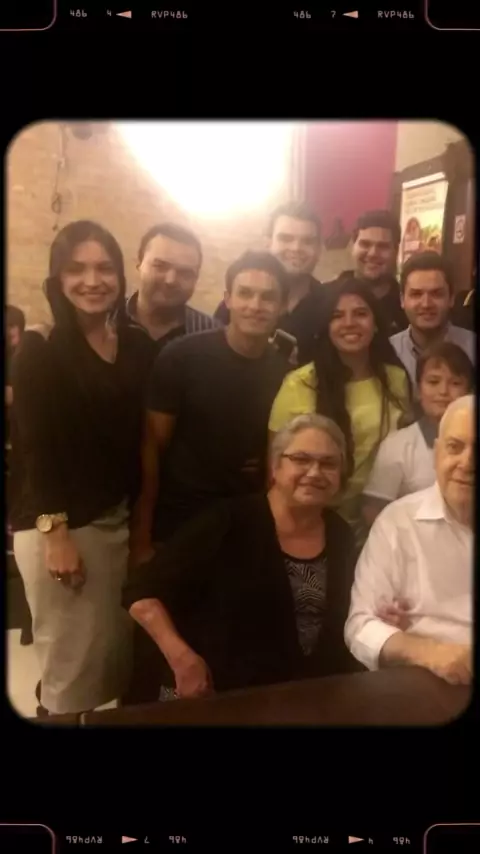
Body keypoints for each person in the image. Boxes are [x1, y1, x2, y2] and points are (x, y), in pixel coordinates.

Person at [10, 220, 155, 716]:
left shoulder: (133, 344)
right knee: (70, 676)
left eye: (104, 268)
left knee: (107, 665)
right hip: (63, 527)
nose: (92, 280)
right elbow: (36, 449)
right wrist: (56, 534)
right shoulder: (41, 349)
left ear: (120, 275)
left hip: (115, 523)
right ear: (57, 278)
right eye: (77, 269)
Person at [123, 415, 361, 700]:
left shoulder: (340, 534)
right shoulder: (227, 521)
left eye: (328, 463)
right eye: (301, 459)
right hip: (218, 695)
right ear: (275, 466)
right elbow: (140, 591)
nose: (314, 472)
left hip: (301, 696)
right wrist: (181, 658)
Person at [129, 249, 290, 565]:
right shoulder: (182, 357)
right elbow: (151, 450)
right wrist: (141, 537)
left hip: (244, 527)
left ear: (282, 306)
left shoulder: (287, 374)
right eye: (245, 293)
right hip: (177, 526)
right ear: (228, 299)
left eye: (268, 297)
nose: (255, 305)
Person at [269, 278, 411, 546]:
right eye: (337, 316)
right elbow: (275, 467)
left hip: (380, 523)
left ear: (375, 323)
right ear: (326, 326)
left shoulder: (397, 381)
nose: (349, 323)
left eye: (360, 313)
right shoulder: (300, 384)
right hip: (312, 523)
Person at [345, 395, 474, 686]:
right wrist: (429, 652)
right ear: (436, 454)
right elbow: (360, 626)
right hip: (422, 679)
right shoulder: (397, 522)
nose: (467, 463)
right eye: (455, 447)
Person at [362, 342, 474, 526]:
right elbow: (373, 512)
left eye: (455, 383)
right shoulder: (397, 445)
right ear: (418, 390)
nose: (443, 391)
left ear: (469, 391)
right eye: (433, 382)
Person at [214, 201, 324, 366]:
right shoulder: (236, 305)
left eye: (307, 241)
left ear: (319, 248)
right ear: (268, 242)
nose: (296, 248)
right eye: (286, 238)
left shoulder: (333, 306)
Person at [390, 251, 475, 390]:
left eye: (437, 294)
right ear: (402, 300)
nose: (426, 304)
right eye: (416, 294)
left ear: (451, 298)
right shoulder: (388, 351)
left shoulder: (472, 348)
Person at [127, 222, 217, 352]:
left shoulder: (214, 339)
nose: (171, 280)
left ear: (196, 279)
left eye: (185, 272)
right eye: (160, 266)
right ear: (138, 265)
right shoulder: (105, 321)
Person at [327, 209, 407, 336]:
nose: (373, 253)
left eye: (383, 246)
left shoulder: (407, 306)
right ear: (353, 246)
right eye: (365, 244)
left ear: (396, 251)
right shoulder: (325, 299)